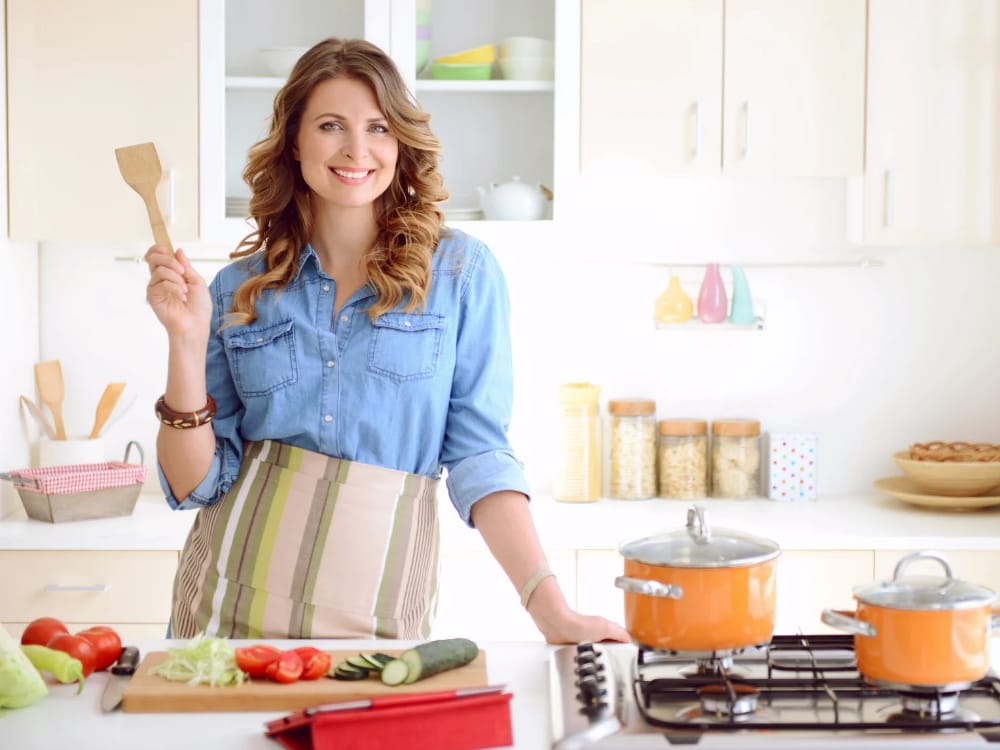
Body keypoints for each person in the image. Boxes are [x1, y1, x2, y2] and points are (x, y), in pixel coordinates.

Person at [144, 37, 629, 645]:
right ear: (295, 142)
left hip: (380, 616)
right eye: (330, 125)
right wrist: (185, 344)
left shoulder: (460, 274)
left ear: (400, 142)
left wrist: (550, 609)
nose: (356, 149)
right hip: (228, 613)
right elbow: (195, 484)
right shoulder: (239, 287)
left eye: (378, 127)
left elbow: (480, 455)